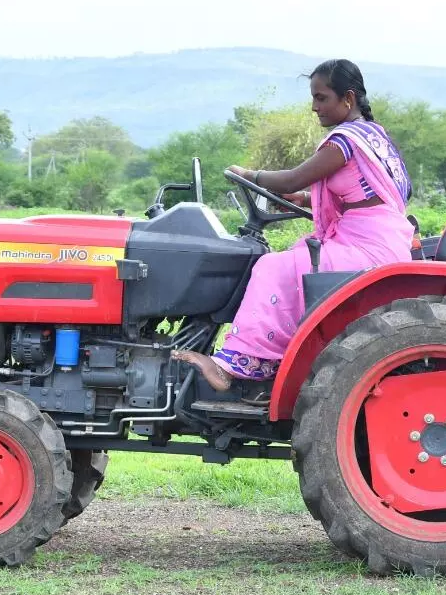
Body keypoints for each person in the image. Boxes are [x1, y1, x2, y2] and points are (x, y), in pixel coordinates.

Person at [174, 59, 414, 398]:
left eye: (322, 98)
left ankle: (234, 365)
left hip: (369, 247)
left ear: (347, 99)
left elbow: (294, 176)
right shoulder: (375, 137)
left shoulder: (344, 141)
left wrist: (249, 175)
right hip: (379, 237)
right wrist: (302, 199)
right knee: (295, 257)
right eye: (313, 98)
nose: (315, 107)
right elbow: (363, 193)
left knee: (272, 266)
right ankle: (264, 362)